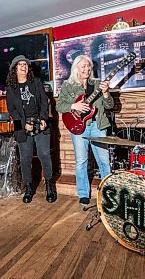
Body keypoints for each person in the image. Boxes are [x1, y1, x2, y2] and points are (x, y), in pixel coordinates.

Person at [56, 54, 115, 205]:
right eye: (83, 66)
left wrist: (106, 92)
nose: (87, 69)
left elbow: (109, 106)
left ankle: (107, 194)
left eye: (89, 66)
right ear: (76, 68)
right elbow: (59, 105)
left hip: (98, 125)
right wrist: (73, 106)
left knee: (104, 161)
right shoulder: (68, 85)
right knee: (81, 161)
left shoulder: (98, 84)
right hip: (79, 126)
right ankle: (83, 194)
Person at [6, 55, 56, 203]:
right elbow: (12, 110)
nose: (24, 66)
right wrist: (23, 124)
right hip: (22, 127)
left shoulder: (36, 82)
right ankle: (28, 188)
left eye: (26, 64)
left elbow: (44, 102)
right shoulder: (11, 88)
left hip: (40, 123)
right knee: (25, 158)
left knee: (44, 154)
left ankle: (49, 186)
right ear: (14, 69)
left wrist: (43, 119)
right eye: (20, 64)